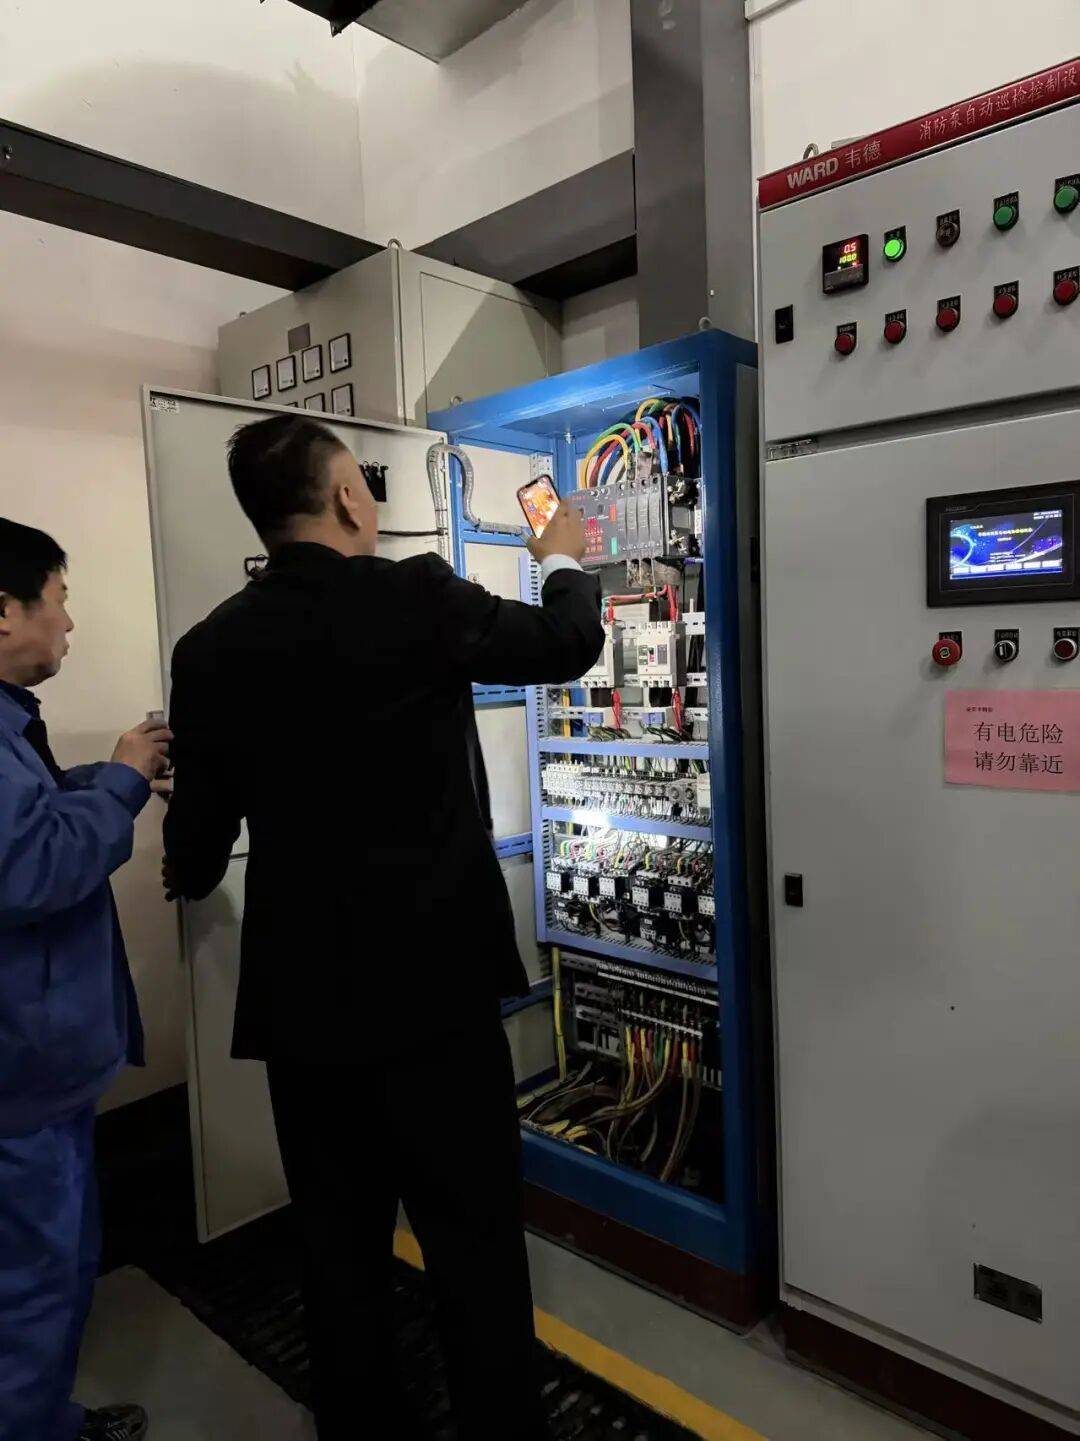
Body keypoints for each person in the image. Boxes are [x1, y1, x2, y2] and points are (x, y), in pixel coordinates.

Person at [162, 414, 603, 1440]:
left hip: (306, 1008)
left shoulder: (210, 648)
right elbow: (566, 643)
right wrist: (561, 556)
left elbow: (199, 844)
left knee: (338, 1252)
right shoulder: (415, 595)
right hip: (435, 999)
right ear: (349, 497)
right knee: (473, 1247)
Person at [0, 518, 172, 1441]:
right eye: (58, 600)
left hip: (37, 1073)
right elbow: (28, 865)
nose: (67, 622)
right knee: (31, 1284)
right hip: (20, 1081)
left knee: (49, 1269)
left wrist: (101, 778)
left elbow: (22, 822)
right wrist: (119, 783)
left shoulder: (10, 726)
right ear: (4, 610)